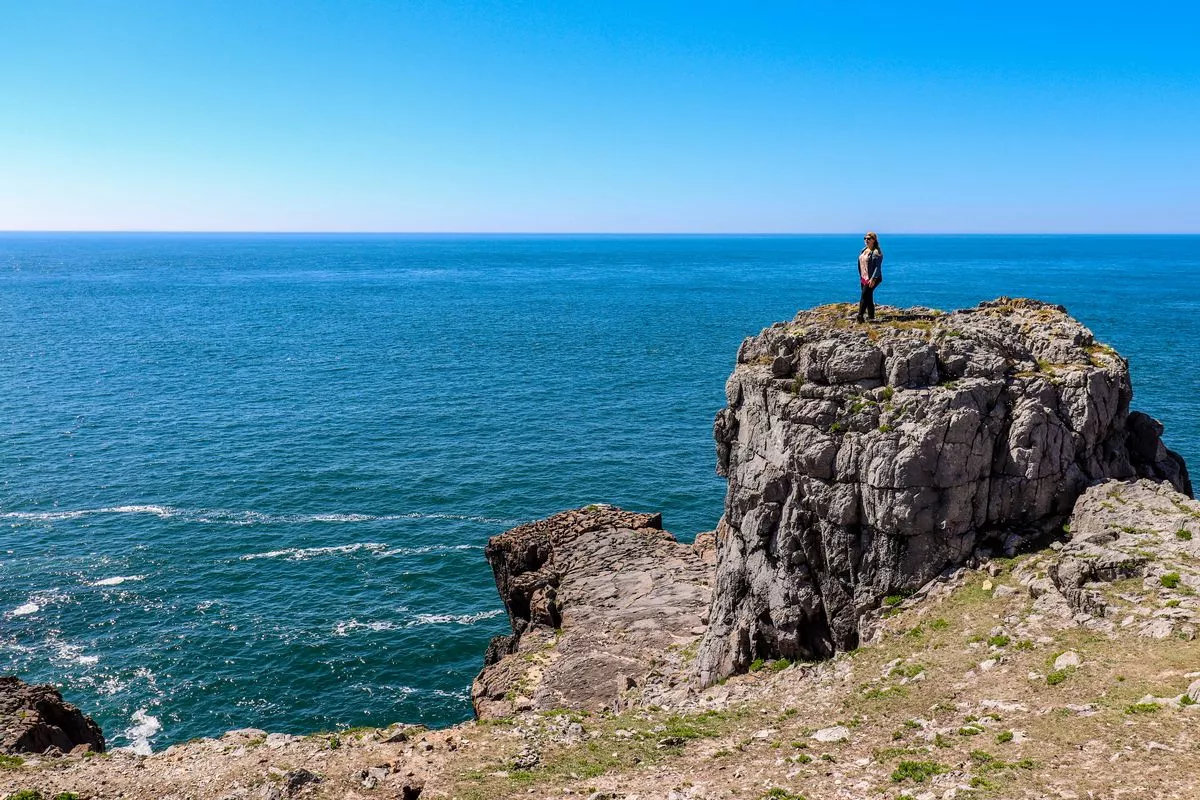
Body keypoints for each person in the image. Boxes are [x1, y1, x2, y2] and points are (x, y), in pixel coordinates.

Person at [856, 232, 883, 322]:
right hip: (864, 278)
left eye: (868, 238)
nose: (866, 240)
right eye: (865, 238)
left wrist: (873, 279)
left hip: (872, 279)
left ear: (873, 240)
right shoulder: (863, 250)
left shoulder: (876, 252)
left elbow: (877, 268)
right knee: (868, 297)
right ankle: (871, 317)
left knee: (864, 296)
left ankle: (860, 317)